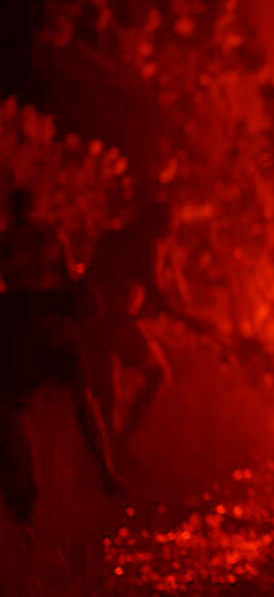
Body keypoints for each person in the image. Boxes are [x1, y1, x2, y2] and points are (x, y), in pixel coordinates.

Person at [0, 188, 124, 537]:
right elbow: (85, 408)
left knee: (16, 426)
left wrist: (106, 470)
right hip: (21, 342)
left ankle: (24, 519)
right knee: (16, 427)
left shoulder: (21, 243)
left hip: (20, 335)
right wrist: (105, 470)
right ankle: (23, 519)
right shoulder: (46, 239)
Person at [83, 200, 174, 447]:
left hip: (93, 318)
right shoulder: (147, 245)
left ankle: (110, 448)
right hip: (116, 322)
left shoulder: (111, 237)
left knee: (108, 393)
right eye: (168, 225)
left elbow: (92, 275)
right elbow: (154, 290)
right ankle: (121, 441)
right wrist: (178, 312)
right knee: (157, 373)